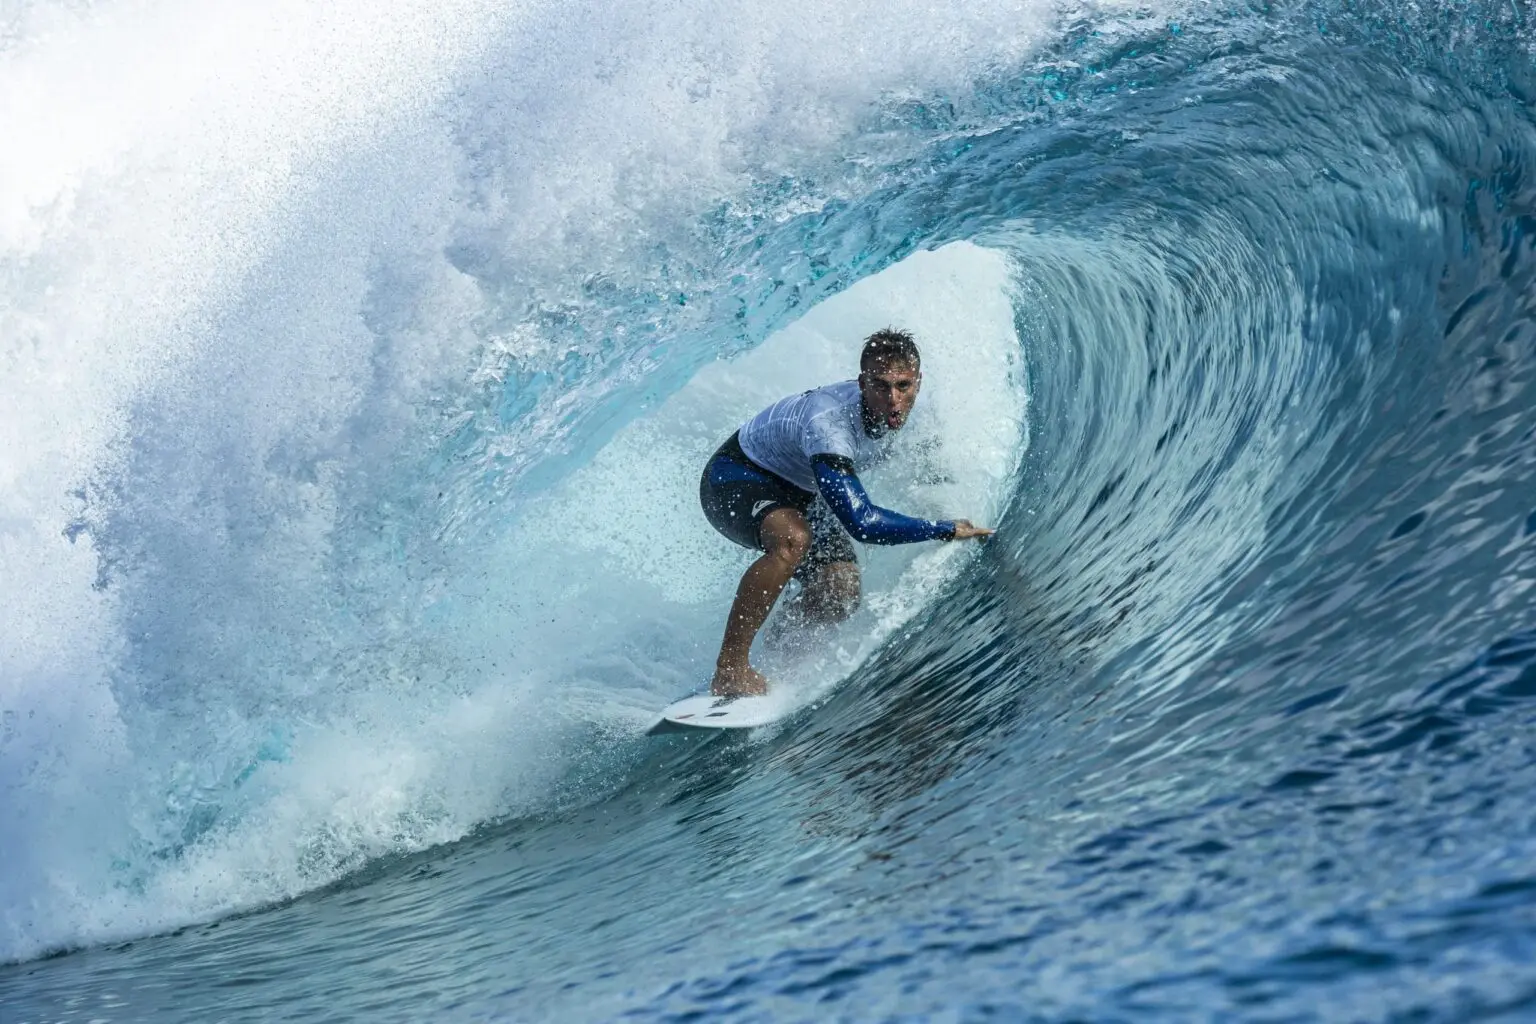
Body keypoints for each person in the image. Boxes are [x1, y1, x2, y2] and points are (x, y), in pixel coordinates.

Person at [698, 328, 994, 696]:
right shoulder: (829, 425)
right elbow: (864, 524)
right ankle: (730, 668)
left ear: (919, 382)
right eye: (881, 386)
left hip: (803, 488)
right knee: (792, 540)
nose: (893, 400)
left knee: (840, 588)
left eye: (904, 386)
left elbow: (930, 467)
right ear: (862, 383)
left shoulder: (918, 412)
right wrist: (942, 528)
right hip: (734, 478)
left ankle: (776, 662)